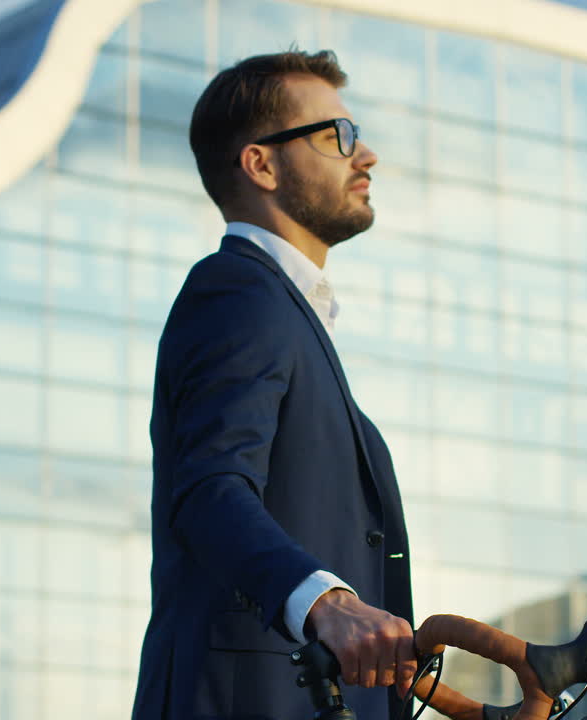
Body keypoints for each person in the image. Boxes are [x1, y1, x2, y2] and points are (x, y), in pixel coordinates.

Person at [131, 50, 414, 720]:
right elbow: (208, 491)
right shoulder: (237, 292)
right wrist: (327, 602)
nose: (365, 154)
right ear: (261, 164)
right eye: (337, 136)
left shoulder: (288, 311)